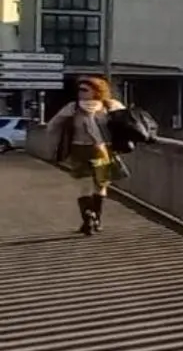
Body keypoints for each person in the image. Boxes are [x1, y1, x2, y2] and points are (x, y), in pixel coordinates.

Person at [47, 74, 125, 236]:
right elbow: (127, 122)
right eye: (80, 90)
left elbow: (52, 126)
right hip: (103, 150)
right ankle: (96, 219)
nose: (80, 93)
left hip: (79, 149)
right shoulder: (111, 106)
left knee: (84, 186)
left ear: (96, 91)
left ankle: (88, 218)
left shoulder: (72, 107)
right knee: (101, 185)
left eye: (84, 90)